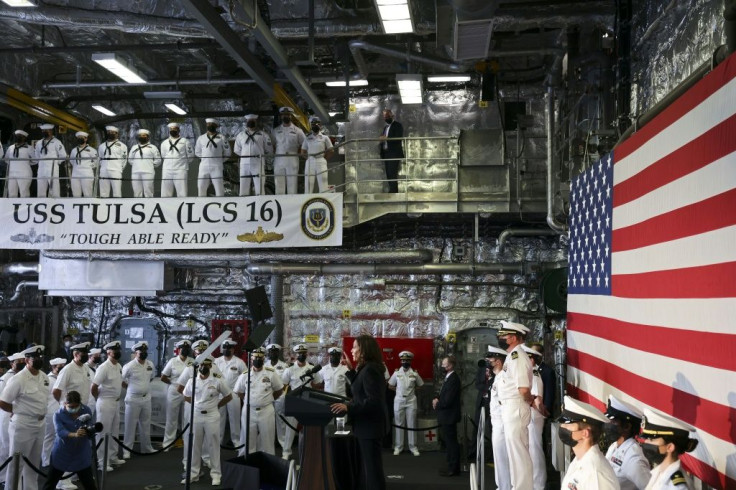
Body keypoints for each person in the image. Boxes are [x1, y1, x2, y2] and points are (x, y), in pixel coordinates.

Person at [330, 335, 388, 490]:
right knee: (368, 470)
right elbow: (360, 390)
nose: (352, 350)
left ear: (364, 350)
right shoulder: (366, 368)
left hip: (370, 428)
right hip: (366, 427)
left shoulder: (370, 370)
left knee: (373, 471)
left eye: (355, 347)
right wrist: (350, 370)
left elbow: (374, 401)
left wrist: (349, 407)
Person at [0, 345, 49, 490]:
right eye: (35, 358)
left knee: (34, 463)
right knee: (17, 464)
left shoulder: (44, 377)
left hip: (40, 423)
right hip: (23, 424)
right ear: (27, 360)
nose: (39, 360)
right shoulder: (18, 379)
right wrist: (16, 410)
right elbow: (3, 402)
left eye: (41, 357)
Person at [496, 320, 534, 490]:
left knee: (518, 453)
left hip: (516, 407)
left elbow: (524, 389)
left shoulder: (518, 357)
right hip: (510, 407)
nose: (501, 338)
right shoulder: (512, 356)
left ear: (512, 338)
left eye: (503, 335)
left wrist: (530, 400)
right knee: (515, 452)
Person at [182, 357, 232, 486]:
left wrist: (217, 405)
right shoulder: (192, 381)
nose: (203, 367)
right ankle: (193, 474)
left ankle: (216, 474)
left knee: (213, 445)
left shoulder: (217, 381)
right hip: (197, 415)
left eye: (206, 365)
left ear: (210, 366)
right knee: (195, 445)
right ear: (198, 366)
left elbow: (229, 396)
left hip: (212, 416)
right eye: (201, 365)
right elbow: (186, 396)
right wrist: (196, 406)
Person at [559, 395, 620, 490]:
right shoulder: (580, 459)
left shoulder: (596, 472)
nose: (562, 426)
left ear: (585, 433)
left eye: (568, 425)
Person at [41, 391, 98, 490]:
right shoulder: (58, 414)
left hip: (81, 454)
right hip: (62, 453)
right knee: (50, 484)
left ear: (80, 403)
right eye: (71, 407)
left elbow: (90, 427)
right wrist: (75, 434)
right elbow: (60, 432)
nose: (74, 410)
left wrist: (89, 430)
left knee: (90, 485)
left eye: (76, 406)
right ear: (65, 404)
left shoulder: (86, 410)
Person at [234, 347, 284, 456]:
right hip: (249, 410)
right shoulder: (245, 375)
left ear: (264, 358)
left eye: (260, 358)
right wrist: (249, 400)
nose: (258, 359)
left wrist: (268, 399)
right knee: (247, 438)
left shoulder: (271, 373)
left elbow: (279, 389)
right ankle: (247, 462)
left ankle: (268, 462)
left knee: (268, 439)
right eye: (255, 357)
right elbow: (239, 392)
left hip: (266, 409)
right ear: (251, 359)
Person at [280, 344, 323, 460]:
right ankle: (286, 452)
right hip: (294, 400)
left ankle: (309, 451)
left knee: (308, 427)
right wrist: (286, 398)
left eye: (303, 353)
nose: (301, 355)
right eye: (299, 354)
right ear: (295, 355)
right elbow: (284, 385)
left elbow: (319, 383)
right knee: (290, 428)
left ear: (306, 354)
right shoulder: (290, 369)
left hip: (308, 400)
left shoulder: (311, 368)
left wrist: (313, 383)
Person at [639, 408, 698, 490]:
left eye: (652, 439)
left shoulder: (677, 487)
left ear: (670, 447)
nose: (646, 441)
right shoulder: (659, 472)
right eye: (647, 438)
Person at [91, 340, 126, 471]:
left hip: (116, 402)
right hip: (105, 401)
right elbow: (94, 386)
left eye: (118, 350)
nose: (117, 353)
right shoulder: (104, 367)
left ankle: (112, 456)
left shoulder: (118, 366)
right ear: (108, 352)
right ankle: (102, 462)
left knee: (114, 431)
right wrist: (98, 398)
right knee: (103, 433)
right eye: (115, 351)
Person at [604, 395, 650, 490]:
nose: (608, 424)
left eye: (613, 421)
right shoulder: (614, 446)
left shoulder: (633, 458)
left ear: (627, 426)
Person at [121, 340, 155, 458]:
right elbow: (121, 380)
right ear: (136, 353)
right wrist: (130, 388)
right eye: (141, 351)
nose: (143, 353)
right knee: (130, 425)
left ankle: (146, 447)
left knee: (146, 424)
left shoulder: (150, 364)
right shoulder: (129, 366)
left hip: (146, 399)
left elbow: (151, 378)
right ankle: (127, 450)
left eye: (145, 351)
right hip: (133, 399)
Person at [522, 345, 548, 490]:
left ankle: (538, 484)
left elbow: (538, 400)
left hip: (534, 415)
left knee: (535, 449)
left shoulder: (535, 374)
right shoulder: (530, 373)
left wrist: (540, 410)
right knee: (531, 449)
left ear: (532, 359)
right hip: (531, 414)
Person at [160, 339, 194, 451]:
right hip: (174, 391)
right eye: (182, 348)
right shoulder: (173, 361)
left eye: (186, 349)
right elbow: (163, 376)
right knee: (171, 418)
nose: (184, 350)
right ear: (178, 350)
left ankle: (186, 442)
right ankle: (168, 443)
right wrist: (173, 383)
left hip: (187, 392)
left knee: (187, 418)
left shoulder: (192, 361)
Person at [389, 350, 423, 456]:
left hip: (411, 400)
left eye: (407, 360)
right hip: (399, 400)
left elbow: (421, 385)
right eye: (403, 360)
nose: (405, 362)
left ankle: (413, 447)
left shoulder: (415, 374)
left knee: (411, 423)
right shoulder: (396, 373)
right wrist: (399, 391)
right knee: (399, 424)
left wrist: (411, 391)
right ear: (401, 361)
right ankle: (398, 447)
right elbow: (390, 385)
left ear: (410, 361)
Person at [432, 355, 461, 476]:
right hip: (446, 415)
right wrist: (436, 399)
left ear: (450, 365)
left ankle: (453, 468)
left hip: (449, 416)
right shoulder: (448, 378)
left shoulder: (453, 379)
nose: (442, 366)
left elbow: (448, 400)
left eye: (444, 365)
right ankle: (450, 464)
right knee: (448, 442)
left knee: (451, 443)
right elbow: (443, 394)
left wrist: (437, 404)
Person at [488, 346, 511, 490]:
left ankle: (505, 487)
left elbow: (504, 402)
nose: (489, 362)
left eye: (491, 359)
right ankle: (501, 485)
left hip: (501, 424)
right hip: (496, 422)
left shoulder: (503, 378)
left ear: (498, 362)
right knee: (499, 457)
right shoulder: (498, 377)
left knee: (502, 458)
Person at [215, 339, 246, 446]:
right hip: (219, 394)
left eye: (229, 348)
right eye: (225, 348)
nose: (227, 350)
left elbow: (245, 377)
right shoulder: (216, 361)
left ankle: (236, 442)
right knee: (219, 419)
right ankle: (218, 442)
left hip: (234, 393)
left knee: (235, 419)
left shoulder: (239, 362)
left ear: (233, 350)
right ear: (222, 349)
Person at [234, 114, 273, 196]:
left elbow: (269, 150)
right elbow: (236, 150)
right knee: (243, 186)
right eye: (249, 121)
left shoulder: (263, 135)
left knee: (259, 186)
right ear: (246, 122)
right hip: (244, 164)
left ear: (256, 122)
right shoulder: (241, 135)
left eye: (253, 121)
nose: (251, 122)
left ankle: (260, 203)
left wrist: (259, 155)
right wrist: (246, 156)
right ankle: (243, 204)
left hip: (258, 163)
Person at [0, 353, 24, 485]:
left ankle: (13, 476)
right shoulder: (6, 378)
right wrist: (12, 410)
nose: (21, 362)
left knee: (14, 448)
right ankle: (3, 477)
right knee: (5, 447)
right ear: (11, 363)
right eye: (18, 361)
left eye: (22, 360)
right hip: (6, 414)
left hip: (17, 415)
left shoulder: (23, 376)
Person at [272, 107, 305, 194]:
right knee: (279, 183)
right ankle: (279, 204)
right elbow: (273, 144)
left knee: (292, 183)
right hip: (279, 159)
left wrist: (297, 152)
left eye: (287, 115)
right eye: (284, 115)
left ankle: (291, 204)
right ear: (281, 116)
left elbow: (304, 145)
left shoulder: (298, 131)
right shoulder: (275, 131)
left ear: (291, 116)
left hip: (292, 158)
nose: (285, 116)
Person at [195, 118, 231, 197]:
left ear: (216, 126)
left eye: (212, 124)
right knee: (201, 187)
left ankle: (221, 205)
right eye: (208, 124)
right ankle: (201, 205)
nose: (210, 126)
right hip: (204, 166)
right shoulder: (201, 138)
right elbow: (197, 152)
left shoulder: (221, 138)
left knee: (219, 188)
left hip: (216, 166)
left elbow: (228, 152)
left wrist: (219, 160)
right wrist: (206, 158)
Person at [265, 343, 290, 455]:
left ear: (278, 353)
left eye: (275, 352)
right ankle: (269, 443)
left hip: (280, 396)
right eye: (271, 351)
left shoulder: (284, 366)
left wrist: (281, 393)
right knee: (267, 420)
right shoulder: (264, 365)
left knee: (281, 421)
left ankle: (283, 443)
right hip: (267, 396)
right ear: (268, 353)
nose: (273, 353)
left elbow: (286, 383)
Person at [53, 342, 92, 410]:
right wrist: (63, 404)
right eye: (84, 353)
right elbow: (56, 391)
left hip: (83, 408)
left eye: (86, 353)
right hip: (70, 409)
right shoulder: (68, 369)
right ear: (76, 354)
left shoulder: (86, 368)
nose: (86, 355)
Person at [160, 122, 194, 197]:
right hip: (167, 170)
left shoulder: (185, 141)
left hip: (180, 170)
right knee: (165, 193)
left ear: (178, 130)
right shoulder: (164, 143)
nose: (173, 130)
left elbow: (190, 156)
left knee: (182, 192)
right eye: (171, 129)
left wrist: (182, 163)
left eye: (174, 129)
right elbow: (163, 155)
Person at [43, 358, 66, 468]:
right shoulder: (48, 380)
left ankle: (56, 457)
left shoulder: (62, 378)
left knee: (59, 436)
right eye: (59, 366)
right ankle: (46, 460)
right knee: (49, 436)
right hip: (50, 411)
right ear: (53, 367)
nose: (62, 367)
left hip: (61, 411)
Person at [300, 116, 333, 193]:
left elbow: (331, 150)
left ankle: (324, 204)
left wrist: (324, 159)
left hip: (321, 161)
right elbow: (303, 152)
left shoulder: (325, 137)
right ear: (311, 125)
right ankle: (307, 203)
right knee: (308, 185)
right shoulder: (307, 138)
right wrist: (309, 158)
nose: (316, 125)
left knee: (323, 185)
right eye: (313, 124)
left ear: (320, 125)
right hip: (310, 161)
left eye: (318, 123)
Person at [35, 123, 66, 198]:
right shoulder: (39, 143)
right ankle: (41, 204)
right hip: (42, 168)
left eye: (47, 130)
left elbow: (63, 155)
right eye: (44, 130)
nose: (45, 132)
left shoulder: (56, 142)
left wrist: (56, 163)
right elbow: (37, 155)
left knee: (54, 189)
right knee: (40, 188)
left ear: (51, 131)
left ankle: (56, 203)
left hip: (52, 168)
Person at [128, 129, 162, 198]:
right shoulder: (134, 147)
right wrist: (136, 165)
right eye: (140, 135)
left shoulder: (153, 147)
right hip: (135, 172)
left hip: (148, 172)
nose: (142, 137)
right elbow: (130, 159)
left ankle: (149, 206)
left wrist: (150, 166)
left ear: (148, 137)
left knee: (148, 191)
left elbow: (158, 160)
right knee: (137, 192)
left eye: (144, 135)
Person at [97, 125, 128, 198]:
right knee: (103, 192)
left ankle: (117, 208)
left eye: (113, 132)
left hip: (116, 170)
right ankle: (103, 208)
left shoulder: (122, 146)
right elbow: (99, 158)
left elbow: (124, 159)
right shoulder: (101, 146)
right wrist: (103, 166)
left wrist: (119, 168)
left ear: (117, 134)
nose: (110, 133)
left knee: (117, 192)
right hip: (104, 170)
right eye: (109, 132)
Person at [378, 109, 404, 193]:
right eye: (384, 117)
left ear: (391, 116)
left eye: (387, 116)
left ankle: (393, 191)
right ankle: (392, 190)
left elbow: (398, 137)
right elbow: (384, 138)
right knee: (388, 173)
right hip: (386, 153)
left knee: (392, 172)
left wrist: (386, 138)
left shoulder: (397, 125)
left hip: (394, 153)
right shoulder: (385, 127)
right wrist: (381, 140)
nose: (385, 118)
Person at [5, 130, 36, 198]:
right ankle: (12, 208)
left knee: (24, 192)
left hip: (24, 173)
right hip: (12, 173)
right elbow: (6, 159)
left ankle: (24, 208)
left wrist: (26, 163)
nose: (17, 138)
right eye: (16, 136)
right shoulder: (11, 147)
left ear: (24, 138)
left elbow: (35, 160)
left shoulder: (29, 148)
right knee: (11, 193)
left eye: (19, 136)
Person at [68, 131, 98, 198]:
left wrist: (89, 166)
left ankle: (89, 207)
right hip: (75, 173)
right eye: (78, 137)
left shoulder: (91, 150)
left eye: (82, 137)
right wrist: (77, 166)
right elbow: (72, 161)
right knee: (76, 194)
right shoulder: (74, 150)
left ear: (86, 139)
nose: (80, 139)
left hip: (87, 173)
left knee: (87, 194)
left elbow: (97, 161)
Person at [530, 343, 555, 416]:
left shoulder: (548, 371)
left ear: (540, 355)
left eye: (533, 353)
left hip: (541, 411)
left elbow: (549, 392)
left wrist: (546, 410)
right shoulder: (529, 369)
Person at [84, 347, 101, 420]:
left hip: (98, 399)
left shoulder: (99, 368)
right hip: (88, 399)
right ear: (89, 357)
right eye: (96, 356)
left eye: (99, 356)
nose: (98, 357)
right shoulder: (84, 368)